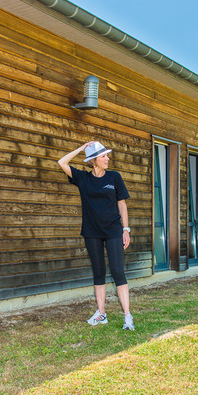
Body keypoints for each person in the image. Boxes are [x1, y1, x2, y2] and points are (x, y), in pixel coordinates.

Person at [58, 141, 134, 330]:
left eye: (107, 155)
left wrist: (126, 229)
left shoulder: (114, 177)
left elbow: (122, 204)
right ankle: (101, 313)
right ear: (93, 161)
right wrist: (81, 149)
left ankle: (127, 316)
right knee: (98, 273)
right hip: (92, 232)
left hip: (114, 231)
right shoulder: (83, 178)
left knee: (118, 272)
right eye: (103, 156)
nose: (107, 159)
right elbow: (62, 163)